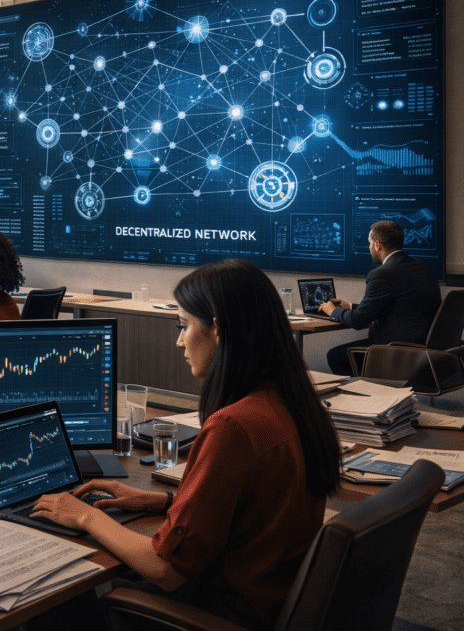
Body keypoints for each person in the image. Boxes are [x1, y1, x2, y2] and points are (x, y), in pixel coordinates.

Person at [32, 259, 342, 630]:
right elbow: (256, 512)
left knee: (57, 592)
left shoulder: (232, 427)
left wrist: (85, 515)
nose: (179, 339)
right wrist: (167, 501)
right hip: (268, 599)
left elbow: (166, 571)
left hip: (219, 613)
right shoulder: (293, 404)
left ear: (217, 330)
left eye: (184, 325)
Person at [321, 220, 442, 376]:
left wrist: (333, 311)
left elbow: (358, 321)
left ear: (377, 245)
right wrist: (350, 306)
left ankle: (367, 396)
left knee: (336, 356)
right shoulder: (423, 267)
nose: (369, 247)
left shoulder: (381, 274)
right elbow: (396, 306)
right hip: (425, 346)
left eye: (369, 243)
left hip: (396, 349)